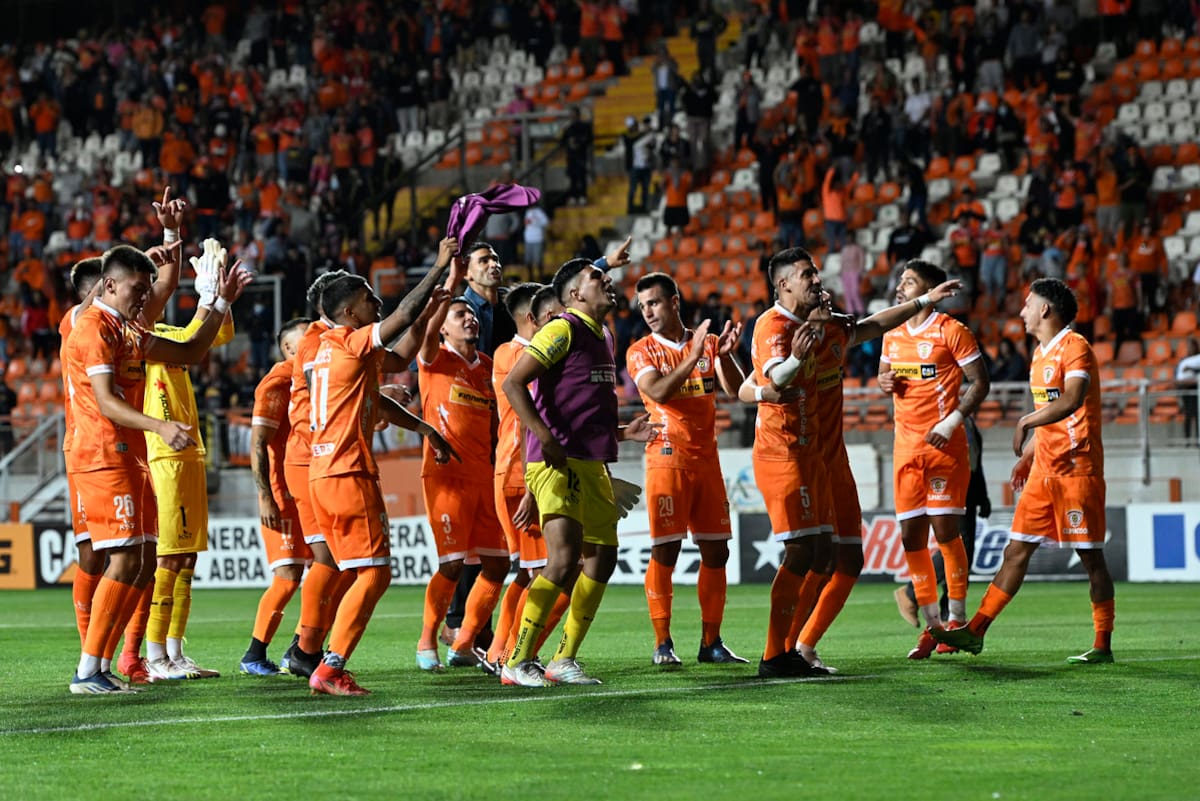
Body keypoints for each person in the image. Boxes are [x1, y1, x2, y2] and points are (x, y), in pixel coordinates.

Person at [741, 280, 962, 672]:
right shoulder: (784, 336)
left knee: (849, 560)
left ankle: (804, 646)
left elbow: (876, 324)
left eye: (828, 295)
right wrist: (764, 394)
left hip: (835, 461)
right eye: (819, 295)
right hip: (803, 459)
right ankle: (785, 648)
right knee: (813, 555)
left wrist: (925, 301)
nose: (826, 297)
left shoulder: (837, 332)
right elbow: (749, 386)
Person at [64, 245, 248, 694]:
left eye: (147, 290)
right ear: (109, 285)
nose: (146, 298)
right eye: (137, 289)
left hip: (134, 454)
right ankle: (88, 669)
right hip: (102, 453)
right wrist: (160, 425)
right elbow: (107, 400)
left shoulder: (127, 329)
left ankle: (105, 664)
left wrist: (220, 302)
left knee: (144, 560)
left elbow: (189, 353)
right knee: (123, 557)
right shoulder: (91, 328)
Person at [282, 239, 460, 678]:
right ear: (347, 313)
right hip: (345, 468)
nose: (377, 303)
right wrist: (437, 266)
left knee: (347, 568)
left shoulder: (324, 347)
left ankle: (310, 652)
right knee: (375, 574)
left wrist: (421, 426)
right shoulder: (344, 344)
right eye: (369, 299)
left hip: (321, 470)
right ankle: (326, 664)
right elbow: (399, 320)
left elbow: (397, 359)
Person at [936, 279, 1115, 664]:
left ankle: (1103, 643)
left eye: (1028, 304)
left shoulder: (1076, 348)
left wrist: (1025, 422)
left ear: (1046, 310)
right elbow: (1053, 416)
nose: (1022, 312)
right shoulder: (1038, 354)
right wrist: (1029, 454)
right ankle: (977, 631)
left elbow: (1071, 400)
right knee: (1015, 550)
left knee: (1091, 558)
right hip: (1043, 471)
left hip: (1076, 469)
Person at [500, 258, 657, 686]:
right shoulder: (561, 329)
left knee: (602, 558)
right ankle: (516, 660)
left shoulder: (603, 335)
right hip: (557, 460)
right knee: (564, 559)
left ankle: (563, 659)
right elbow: (513, 383)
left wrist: (624, 432)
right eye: (595, 278)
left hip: (591, 462)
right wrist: (545, 438)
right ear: (574, 294)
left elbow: (583, 406)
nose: (606, 281)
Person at [627, 271, 748, 667]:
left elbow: (736, 390)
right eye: (643, 305)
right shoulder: (640, 351)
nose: (648, 312)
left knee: (717, 551)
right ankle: (663, 642)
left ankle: (711, 643)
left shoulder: (708, 343)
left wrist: (725, 355)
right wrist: (694, 356)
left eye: (655, 303)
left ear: (674, 302)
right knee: (667, 548)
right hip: (667, 457)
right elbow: (658, 391)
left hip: (707, 461)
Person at [877, 259, 991, 659]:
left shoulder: (952, 332)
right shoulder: (892, 332)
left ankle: (956, 618)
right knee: (911, 537)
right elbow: (883, 377)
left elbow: (981, 381)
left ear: (930, 290)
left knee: (946, 533)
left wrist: (954, 419)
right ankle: (932, 625)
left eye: (909, 282)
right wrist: (883, 381)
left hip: (944, 447)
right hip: (905, 448)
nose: (900, 287)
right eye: (901, 281)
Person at [137, 237, 236, 682]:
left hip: (190, 452)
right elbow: (200, 326)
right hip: (164, 455)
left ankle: (176, 652)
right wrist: (206, 296)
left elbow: (216, 333)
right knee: (168, 559)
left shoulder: (171, 337)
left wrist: (217, 296)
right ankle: (154, 654)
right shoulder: (137, 339)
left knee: (188, 559)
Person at [414, 293, 509, 671]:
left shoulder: (486, 365)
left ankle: (465, 642)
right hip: (445, 475)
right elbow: (424, 333)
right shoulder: (434, 358)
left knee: (498, 565)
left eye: (471, 313)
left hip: (484, 476)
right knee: (451, 565)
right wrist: (444, 293)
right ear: (443, 327)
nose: (470, 318)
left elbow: (494, 421)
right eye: (459, 314)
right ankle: (427, 641)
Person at [483, 284, 571, 674]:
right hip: (524, 470)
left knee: (530, 570)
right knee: (556, 571)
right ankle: (516, 656)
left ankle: (500, 652)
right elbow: (527, 423)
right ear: (533, 319)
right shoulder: (519, 355)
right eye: (553, 315)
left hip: (525, 467)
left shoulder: (520, 354)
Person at [240, 318, 314, 675]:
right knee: (287, 576)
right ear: (288, 349)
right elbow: (258, 442)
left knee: (324, 572)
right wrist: (266, 496)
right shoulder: (278, 382)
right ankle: (254, 654)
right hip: (282, 493)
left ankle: (299, 649)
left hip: (312, 490)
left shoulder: (312, 379)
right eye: (307, 339)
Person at [895, 413, 991, 630]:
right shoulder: (945, 419)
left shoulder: (967, 421)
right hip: (949, 482)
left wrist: (982, 495)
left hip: (968, 487)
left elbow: (975, 460)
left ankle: (949, 611)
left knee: (966, 549)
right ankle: (912, 593)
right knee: (958, 545)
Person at [1175, 338, 1200, 445]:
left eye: (1192, 346)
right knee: (1188, 415)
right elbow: (1178, 375)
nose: (1190, 348)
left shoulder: (1197, 359)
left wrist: (1191, 369)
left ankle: (1198, 440)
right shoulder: (1184, 360)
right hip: (1186, 390)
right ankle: (1187, 440)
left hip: (1196, 389)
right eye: (1189, 346)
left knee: (1198, 415)